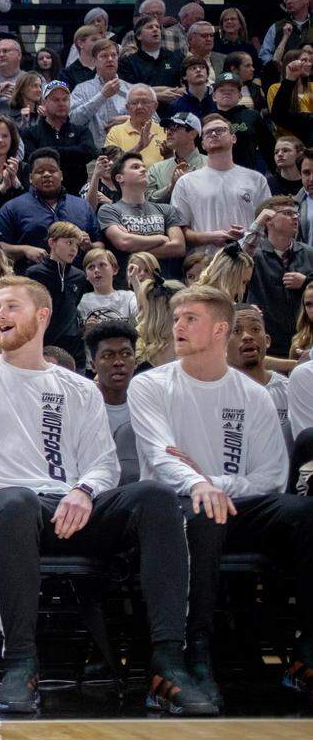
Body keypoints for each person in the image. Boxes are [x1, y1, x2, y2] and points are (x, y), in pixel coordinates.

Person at [0, 274, 216, 716]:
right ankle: (21, 663)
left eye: (12, 307)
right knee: (18, 501)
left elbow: (104, 464)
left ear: (42, 316)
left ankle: (168, 663)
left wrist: (83, 490)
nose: (0, 315)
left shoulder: (77, 387)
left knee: (155, 496)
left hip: (66, 508)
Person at [128, 286, 313, 708]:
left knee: (305, 512)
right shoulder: (150, 385)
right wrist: (198, 485)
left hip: (236, 505)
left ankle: (306, 648)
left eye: (190, 318)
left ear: (219, 330)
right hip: (175, 507)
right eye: (176, 318)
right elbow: (160, 457)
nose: (178, 326)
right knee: (202, 513)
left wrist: (212, 481)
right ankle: (195, 653)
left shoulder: (254, 394)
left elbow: (271, 476)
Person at [171, 114, 270, 252]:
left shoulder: (257, 180)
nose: (213, 134)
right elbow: (181, 230)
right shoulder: (186, 182)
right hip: (205, 261)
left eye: (220, 130)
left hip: (248, 259)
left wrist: (247, 235)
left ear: (233, 138)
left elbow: (268, 224)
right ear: (203, 144)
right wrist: (210, 237)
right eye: (208, 133)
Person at [0, 148, 99, 274]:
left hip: (77, 280)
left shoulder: (82, 206)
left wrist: (89, 246)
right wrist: (24, 250)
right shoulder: (13, 207)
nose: (47, 174)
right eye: (40, 171)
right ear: (30, 178)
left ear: (61, 175)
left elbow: (100, 245)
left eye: (52, 170)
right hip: (30, 280)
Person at [100, 151, 187, 283]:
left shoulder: (166, 209)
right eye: (135, 167)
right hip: (129, 287)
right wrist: (161, 238)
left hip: (165, 285)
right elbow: (124, 242)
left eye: (143, 167)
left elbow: (179, 247)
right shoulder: (109, 210)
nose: (143, 170)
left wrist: (133, 252)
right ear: (119, 178)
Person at [243, 195, 313, 359]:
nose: (295, 217)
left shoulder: (309, 253)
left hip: (304, 341)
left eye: (296, 213)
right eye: (287, 213)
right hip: (267, 342)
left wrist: (306, 282)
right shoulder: (253, 255)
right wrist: (257, 224)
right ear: (268, 221)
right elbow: (234, 261)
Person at [226, 304, 293, 450]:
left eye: (255, 329)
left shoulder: (289, 390)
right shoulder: (215, 395)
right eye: (236, 331)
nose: (247, 336)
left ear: (267, 340)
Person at [26, 222, 89, 370]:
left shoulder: (79, 276)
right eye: (69, 243)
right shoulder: (35, 274)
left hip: (73, 349)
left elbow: (74, 305)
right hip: (44, 346)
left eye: (77, 245)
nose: (74, 249)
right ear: (52, 242)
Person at [21, 80, 97, 195]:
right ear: (44, 103)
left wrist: (48, 151)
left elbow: (89, 152)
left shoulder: (81, 131)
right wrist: (73, 155)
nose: (61, 103)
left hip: (76, 195)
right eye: (56, 100)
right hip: (40, 195)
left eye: (65, 99)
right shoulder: (30, 133)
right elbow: (32, 160)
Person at [70, 39, 131, 149]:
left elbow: (154, 122)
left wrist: (130, 120)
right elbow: (73, 121)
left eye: (113, 55)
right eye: (104, 56)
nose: (110, 59)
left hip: (127, 152)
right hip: (93, 153)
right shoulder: (81, 89)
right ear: (94, 61)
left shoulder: (131, 89)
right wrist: (102, 96)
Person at [146, 112, 203, 204]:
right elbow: (146, 202)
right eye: (167, 128)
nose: (169, 132)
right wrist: (172, 187)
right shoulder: (156, 169)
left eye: (175, 128)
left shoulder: (211, 166)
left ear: (193, 134)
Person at [79, 249, 137, 323]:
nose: (96, 270)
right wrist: (86, 329)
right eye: (91, 267)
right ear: (86, 275)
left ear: (114, 270)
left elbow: (143, 315)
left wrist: (135, 281)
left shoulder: (128, 297)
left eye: (102, 265)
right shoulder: (80, 301)